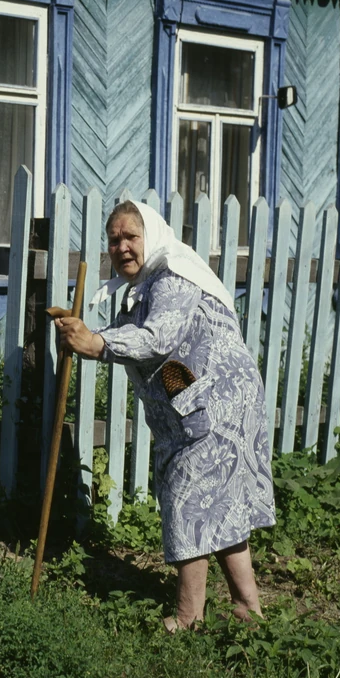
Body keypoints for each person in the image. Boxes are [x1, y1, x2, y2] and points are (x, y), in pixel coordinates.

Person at [53, 200, 275, 630]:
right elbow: (134, 335)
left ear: (149, 235)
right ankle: (247, 608)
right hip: (197, 405)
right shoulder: (142, 285)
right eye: (114, 240)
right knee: (219, 503)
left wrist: (96, 343)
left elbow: (158, 337)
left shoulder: (173, 274)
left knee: (187, 497)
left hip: (217, 403)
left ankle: (189, 617)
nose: (121, 247)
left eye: (130, 237)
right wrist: (87, 336)